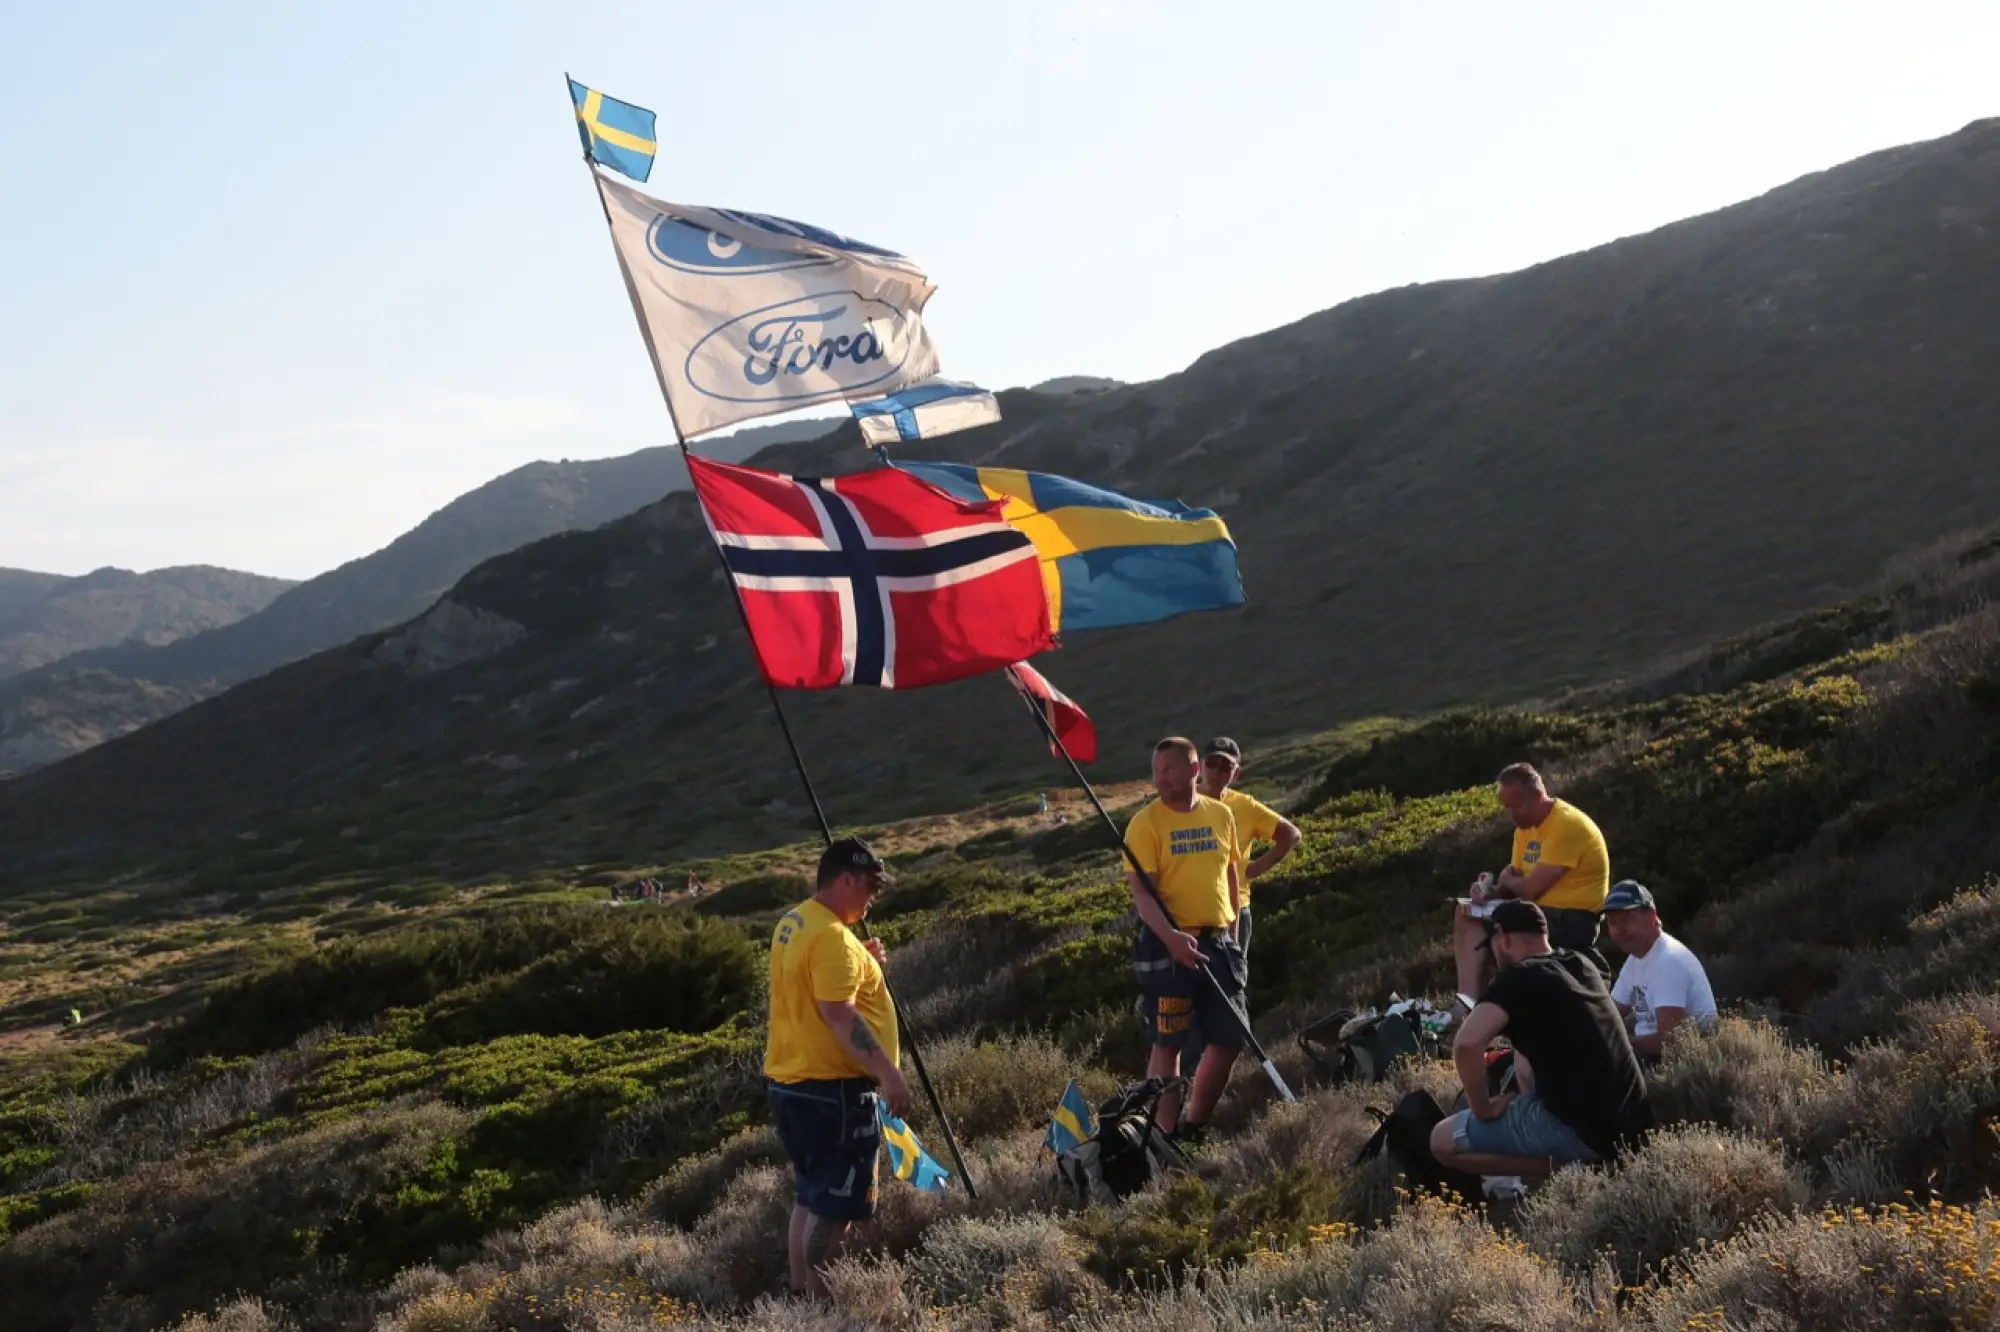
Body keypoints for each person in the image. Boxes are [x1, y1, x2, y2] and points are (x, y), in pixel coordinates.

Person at [764, 837, 912, 1299]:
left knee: (809, 1198)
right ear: (846, 879)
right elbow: (841, 1016)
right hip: (835, 1094)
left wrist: (861, 958)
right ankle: (822, 1305)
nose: (872, 897)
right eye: (868, 886)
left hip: (791, 1085)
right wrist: (889, 1074)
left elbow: (820, 987)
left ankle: (799, 1295)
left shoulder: (795, 923)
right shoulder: (832, 940)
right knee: (836, 1210)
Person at [1432, 900, 1652, 1179]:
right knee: (1521, 1059)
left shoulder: (1518, 978)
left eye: (1492, 946)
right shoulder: (1581, 964)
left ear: (1505, 938)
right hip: (1632, 1122)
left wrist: (1483, 1108)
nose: (1492, 955)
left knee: (1440, 1141)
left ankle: (1572, 1170)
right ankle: (1580, 1156)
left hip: (1585, 1132)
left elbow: (1466, 1044)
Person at [1124, 736, 1246, 1141]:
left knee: (1231, 1037)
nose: (1161, 778)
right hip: (1168, 948)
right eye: (1156, 771)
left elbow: (1230, 873)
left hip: (1218, 946)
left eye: (1169, 770)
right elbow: (1142, 893)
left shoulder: (1220, 814)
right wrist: (1172, 938)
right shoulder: (1145, 823)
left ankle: (1193, 1128)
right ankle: (1159, 1137)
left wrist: (1233, 933)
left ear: (1194, 770)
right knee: (1168, 1043)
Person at [1455, 763, 1610, 999]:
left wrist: (1509, 879)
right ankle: (1469, 1001)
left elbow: (1529, 890)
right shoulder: (1523, 830)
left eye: (1516, 806)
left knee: (1504, 935)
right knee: (1465, 912)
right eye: (1506, 807)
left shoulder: (1566, 825)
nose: (1511, 814)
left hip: (1572, 918)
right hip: (1539, 911)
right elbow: (1513, 886)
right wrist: (1489, 893)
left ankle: (1511, 1004)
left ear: (1538, 796)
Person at [1195, 736, 1302, 960]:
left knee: (1232, 982)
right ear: (1200, 766)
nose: (1217, 771)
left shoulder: (1245, 806)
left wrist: (1254, 869)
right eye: (1212, 763)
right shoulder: (1183, 802)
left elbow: (1291, 835)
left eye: (1226, 766)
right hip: (1191, 912)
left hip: (1235, 910)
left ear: (1236, 774)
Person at [1603, 880, 1717, 1063]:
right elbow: (1609, 1016)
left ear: (1651, 917)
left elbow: (1670, 1041)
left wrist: (1620, 1044)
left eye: (1627, 919)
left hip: (1683, 1063)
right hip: (1652, 1057)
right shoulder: (1635, 959)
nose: (1619, 930)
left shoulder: (1669, 961)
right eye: (1613, 922)